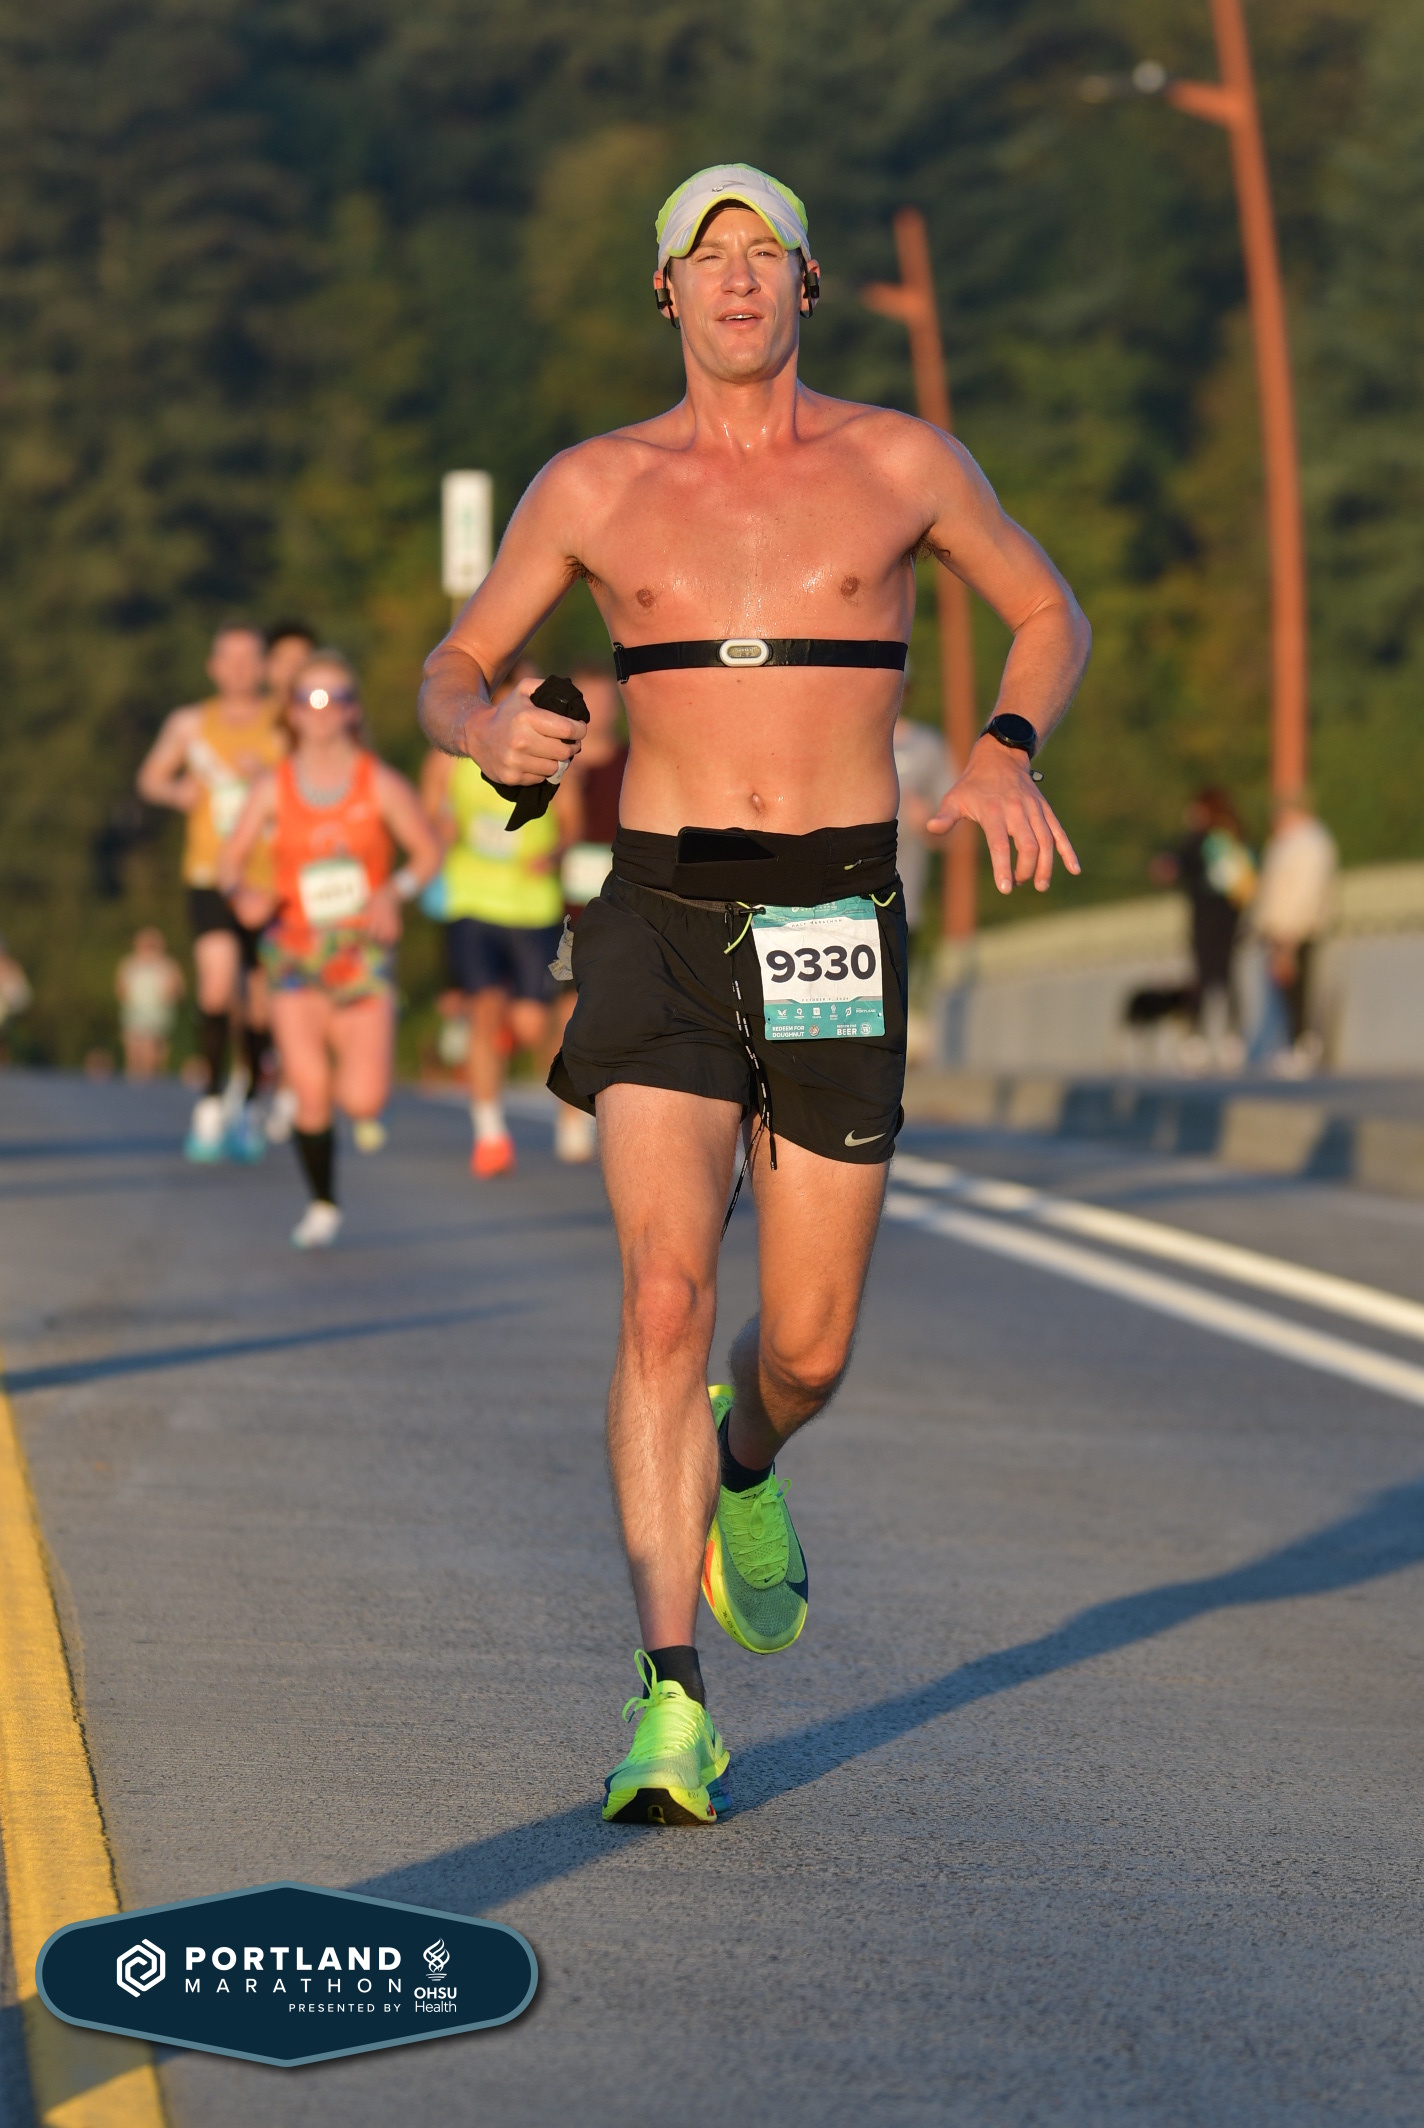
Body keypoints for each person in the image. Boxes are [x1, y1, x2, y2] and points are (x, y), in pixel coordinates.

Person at [419, 163, 1090, 1825]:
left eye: (761, 254)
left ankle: (746, 1456)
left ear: (807, 283)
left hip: (834, 913)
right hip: (658, 909)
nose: (734, 279)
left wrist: (1005, 750)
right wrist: (482, 724)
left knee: (805, 1342)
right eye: (704, 256)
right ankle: (669, 1697)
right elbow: (450, 665)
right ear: (664, 291)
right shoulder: (596, 484)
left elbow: (1042, 609)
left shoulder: (898, 463)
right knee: (660, 1292)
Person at [219, 651, 441, 1246]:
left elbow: (428, 853)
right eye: (308, 699)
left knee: (362, 1098)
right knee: (310, 1091)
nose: (321, 710)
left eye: (335, 698)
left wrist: (394, 891)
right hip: (293, 952)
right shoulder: (273, 786)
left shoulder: (379, 783)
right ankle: (323, 1202)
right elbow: (229, 863)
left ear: (353, 710)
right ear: (291, 712)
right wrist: (243, 895)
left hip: (361, 954)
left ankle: (369, 1105)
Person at [419, 662, 577, 1178]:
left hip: (532, 905)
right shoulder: (454, 754)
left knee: (532, 1026)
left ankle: (509, 1027)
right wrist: (440, 830)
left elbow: (571, 826)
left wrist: (553, 855)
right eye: (515, 690)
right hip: (472, 901)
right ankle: (489, 1133)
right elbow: (428, 814)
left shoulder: (556, 753)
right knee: (482, 1006)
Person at [136, 622, 285, 1161]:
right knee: (217, 987)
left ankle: (252, 1100)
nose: (240, 668)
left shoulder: (285, 720)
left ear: (264, 666)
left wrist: (269, 773)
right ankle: (210, 1100)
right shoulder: (191, 724)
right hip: (209, 872)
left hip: (271, 879)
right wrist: (178, 791)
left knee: (261, 1004)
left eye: (250, 657)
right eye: (230, 657)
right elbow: (150, 778)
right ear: (213, 666)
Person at [551, 665, 631, 1163]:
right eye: (587, 698)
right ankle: (570, 1110)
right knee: (570, 1003)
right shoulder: (553, 763)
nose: (597, 709)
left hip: (623, 901)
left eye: (605, 698)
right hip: (565, 905)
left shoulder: (636, 762)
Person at [259, 620, 318, 1145]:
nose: (294, 672)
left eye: (305, 660)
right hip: (262, 873)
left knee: (304, 987)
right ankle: (258, 1079)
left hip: (316, 878)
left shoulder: (328, 719)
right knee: (258, 994)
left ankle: (293, 1088)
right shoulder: (254, 725)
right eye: (285, 661)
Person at [1149, 786, 1255, 1068]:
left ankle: (1197, 1038)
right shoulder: (1234, 836)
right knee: (1228, 974)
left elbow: (1176, 863)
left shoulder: (1199, 840)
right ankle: (1233, 1039)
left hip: (1205, 919)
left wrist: (1164, 868)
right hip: (1231, 918)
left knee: (1202, 976)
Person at [1250, 798, 1338, 1075]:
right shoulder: (1288, 842)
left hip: (1297, 928)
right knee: (1288, 989)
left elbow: (1305, 891)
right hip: (1284, 927)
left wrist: (1290, 929)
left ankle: (1303, 1046)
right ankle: (1295, 1043)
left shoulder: (1310, 843)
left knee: (1300, 988)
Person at [891, 711, 952, 943]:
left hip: (904, 908)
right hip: (846, 909)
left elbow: (952, 832)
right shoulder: (844, 741)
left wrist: (929, 823)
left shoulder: (927, 746)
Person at [115, 928, 185, 1079]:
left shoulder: (167, 964)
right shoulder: (129, 963)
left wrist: (170, 992)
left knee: (150, 1048)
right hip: (134, 1012)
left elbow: (178, 990)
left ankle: (149, 1081)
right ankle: (135, 1081)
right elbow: (120, 990)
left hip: (157, 1013)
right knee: (132, 1048)